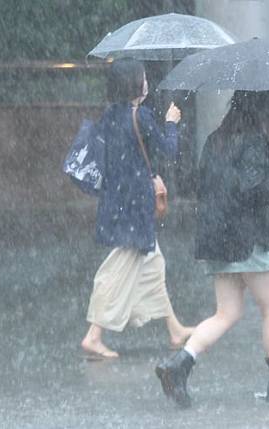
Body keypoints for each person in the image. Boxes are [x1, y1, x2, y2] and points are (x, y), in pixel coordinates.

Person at [155, 90, 269, 408]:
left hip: (219, 237)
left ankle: (180, 364)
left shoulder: (217, 138)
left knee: (227, 313)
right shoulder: (254, 139)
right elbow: (251, 190)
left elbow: (204, 184)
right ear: (264, 108)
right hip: (247, 237)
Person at [80, 58, 193, 360]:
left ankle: (175, 329)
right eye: (143, 78)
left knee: (154, 264)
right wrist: (171, 123)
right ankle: (93, 336)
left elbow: (123, 158)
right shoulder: (140, 116)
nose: (147, 82)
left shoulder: (110, 115)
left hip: (117, 202)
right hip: (134, 207)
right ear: (135, 84)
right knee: (116, 269)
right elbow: (169, 150)